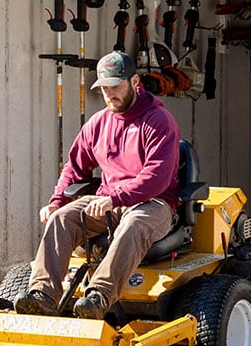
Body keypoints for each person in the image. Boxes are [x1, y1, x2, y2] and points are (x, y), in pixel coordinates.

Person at [16, 51, 181, 320]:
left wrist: (115, 198)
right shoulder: (98, 123)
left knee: (134, 224)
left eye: (115, 86)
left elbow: (157, 178)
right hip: (109, 201)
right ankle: (42, 296)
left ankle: (98, 297)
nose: (109, 93)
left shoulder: (158, 121)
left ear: (135, 82)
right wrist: (57, 202)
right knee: (61, 219)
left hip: (154, 203)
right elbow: (74, 168)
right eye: (104, 88)